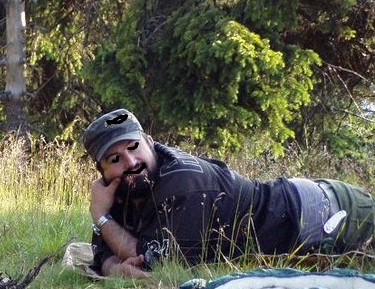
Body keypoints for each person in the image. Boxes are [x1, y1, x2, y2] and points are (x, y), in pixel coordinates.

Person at [83, 108, 375, 278]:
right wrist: (112, 265)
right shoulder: (127, 186)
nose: (130, 162)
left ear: (149, 141)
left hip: (328, 217)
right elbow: (103, 249)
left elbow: (155, 262)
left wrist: (101, 218)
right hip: (307, 205)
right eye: (115, 158)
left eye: (133, 147)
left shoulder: (183, 182)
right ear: (102, 170)